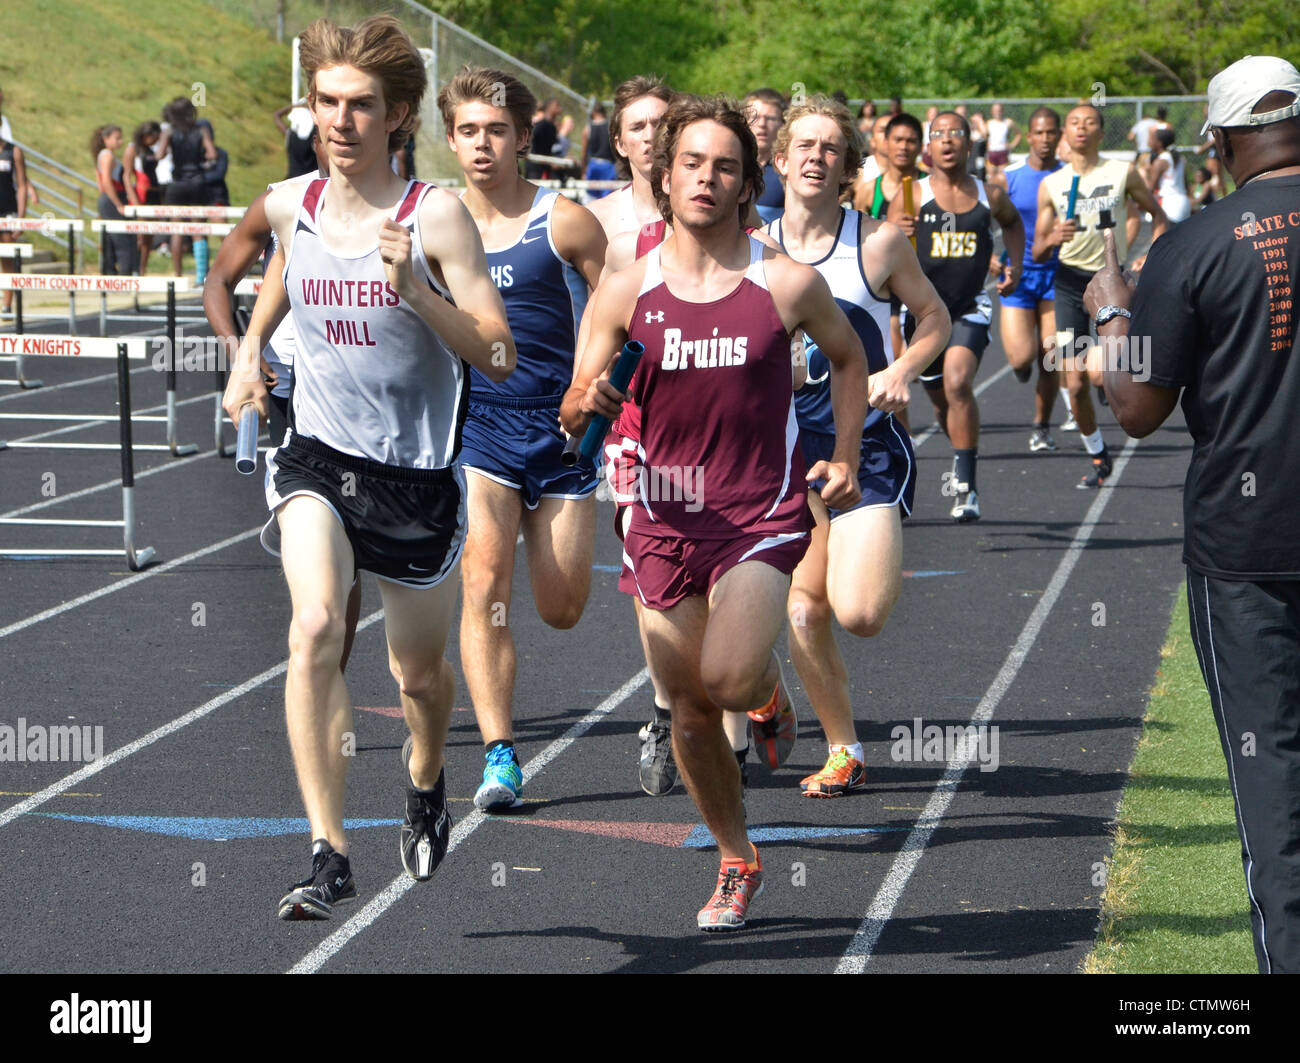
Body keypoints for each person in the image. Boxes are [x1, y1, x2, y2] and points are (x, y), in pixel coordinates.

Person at [220, 14, 515, 920]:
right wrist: (245, 347)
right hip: (317, 459)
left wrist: (418, 294)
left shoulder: (434, 216)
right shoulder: (287, 203)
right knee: (314, 628)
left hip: (416, 479)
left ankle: (426, 780)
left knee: (418, 679)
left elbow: (498, 353)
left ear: (397, 117)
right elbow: (258, 273)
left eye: (360, 106)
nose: (340, 121)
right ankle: (327, 852)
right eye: (326, 104)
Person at [562, 93, 874, 930]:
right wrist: (585, 398)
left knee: (727, 677)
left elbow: (849, 361)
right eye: (691, 163)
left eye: (725, 166)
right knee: (690, 710)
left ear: (747, 185)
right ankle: (737, 857)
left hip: (758, 513)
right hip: (660, 522)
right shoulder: (626, 288)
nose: (707, 178)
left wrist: (843, 457)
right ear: (663, 177)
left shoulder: (785, 282)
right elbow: (575, 408)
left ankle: (767, 694)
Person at [1082, 54, 1300, 973]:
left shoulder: (1199, 241)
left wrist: (1110, 317)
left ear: (1220, 141)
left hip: (1248, 548)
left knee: (1276, 798)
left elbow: (1135, 410)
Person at [768, 96, 949, 795]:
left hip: (865, 447)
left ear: (847, 166)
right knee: (802, 609)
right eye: (803, 145)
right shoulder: (751, 246)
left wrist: (902, 368)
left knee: (861, 613)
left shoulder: (875, 243)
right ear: (779, 159)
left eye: (830, 147)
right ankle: (844, 747)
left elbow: (933, 317)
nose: (816, 156)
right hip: (786, 454)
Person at [440, 67, 607, 812]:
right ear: (450, 138)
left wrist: (592, 384)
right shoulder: (434, 224)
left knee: (563, 607)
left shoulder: (564, 220)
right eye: (469, 130)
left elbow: (620, 308)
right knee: (482, 580)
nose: (482, 144)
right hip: (480, 426)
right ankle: (500, 753)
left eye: (496, 130)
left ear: (522, 137)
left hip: (562, 426)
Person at [890, 110, 1024, 522]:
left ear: (969, 144)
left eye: (955, 134)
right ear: (929, 147)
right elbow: (883, 243)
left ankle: (966, 487)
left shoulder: (990, 195)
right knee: (940, 398)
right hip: (923, 315)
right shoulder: (911, 194)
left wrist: (1013, 265)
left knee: (958, 383)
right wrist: (894, 226)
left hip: (969, 308)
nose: (946, 141)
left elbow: (1014, 226)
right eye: (938, 135)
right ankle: (959, 452)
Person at [1033, 102, 1168, 488]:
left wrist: (1146, 255)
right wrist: (1052, 238)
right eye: (1074, 122)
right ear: (1065, 133)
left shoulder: (1121, 172)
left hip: (1113, 283)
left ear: (1099, 131)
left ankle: (1112, 388)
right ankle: (1097, 454)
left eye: (1089, 122)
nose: (1081, 128)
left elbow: (1157, 216)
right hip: (1069, 284)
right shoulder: (1052, 184)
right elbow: (1039, 250)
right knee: (1072, 381)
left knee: (1130, 368)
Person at [1001, 107, 1065, 452]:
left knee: (1051, 354)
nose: (1045, 139)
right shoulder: (1009, 178)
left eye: (1051, 132)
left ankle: (1041, 425)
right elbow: (989, 222)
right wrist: (994, 265)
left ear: (1059, 136)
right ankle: (1022, 366)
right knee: (1021, 359)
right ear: (1029, 136)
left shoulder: (1069, 177)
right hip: (1019, 274)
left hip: (1058, 275)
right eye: (1038, 133)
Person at [587, 76, 673, 241]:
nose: (650, 136)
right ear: (620, 145)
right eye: (637, 127)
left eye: (659, 125)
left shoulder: (705, 213)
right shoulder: (596, 220)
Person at [156, 97, 217, 276]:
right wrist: (203, 160)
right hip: (197, 182)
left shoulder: (169, 132)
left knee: (177, 230)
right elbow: (212, 154)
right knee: (198, 229)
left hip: (177, 183)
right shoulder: (201, 130)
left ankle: (177, 274)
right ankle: (201, 275)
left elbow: (159, 155)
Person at [92, 124, 137, 276]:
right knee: (121, 240)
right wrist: (118, 203)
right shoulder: (107, 156)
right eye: (117, 138)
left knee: (111, 240)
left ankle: (111, 272)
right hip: (112, 199)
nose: (121, 141)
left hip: (109, 199)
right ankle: (124, 274)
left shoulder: (105, 155)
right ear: (106, 139)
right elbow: (105, 182)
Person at [744, 87, 787, 223]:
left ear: (783, 124)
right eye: (755, 117)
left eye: (770, 118)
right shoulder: (729, 166)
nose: (762, 124)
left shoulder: (790, 170)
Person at [0, 127, 27, 317]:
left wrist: (21, 216)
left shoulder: (13, 151)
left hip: (8, 212)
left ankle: (7, 306)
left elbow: (23, 184)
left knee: (7, 259)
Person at [1148, 126, 1191, 223]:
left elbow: (1150, 189)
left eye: (1152, 139)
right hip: (1184, 202)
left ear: (1159, 143)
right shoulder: (1180, 158)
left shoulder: (1160, 161)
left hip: (1170, 204)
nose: (1149, 141)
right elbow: (1186, 184)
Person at [581, 102, 618, 199]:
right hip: (608, 166)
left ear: (593, 113)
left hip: (593, 165)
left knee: (590, 198)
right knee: (607, 198)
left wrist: (583, 170)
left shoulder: (587, 129)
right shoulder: (611, 128)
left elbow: (583, 153)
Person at [275, 101, 318, 179]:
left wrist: (295, 106)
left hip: (291, 181)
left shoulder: (291, 137)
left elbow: (276, 115)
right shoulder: (315, 140)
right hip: (310, 183)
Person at [985, 102, 1020, 186]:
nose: (997, 112)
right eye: (995, 110)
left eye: (999, 110)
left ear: (1002, 111)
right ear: (992, 112)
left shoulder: (1008, 122)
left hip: (1002, 153)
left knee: (1003, 177)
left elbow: (1018, 134)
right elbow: (984, 136)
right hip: (992, 153)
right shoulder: (989, 123)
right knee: (991, 179)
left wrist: (1012, 145)